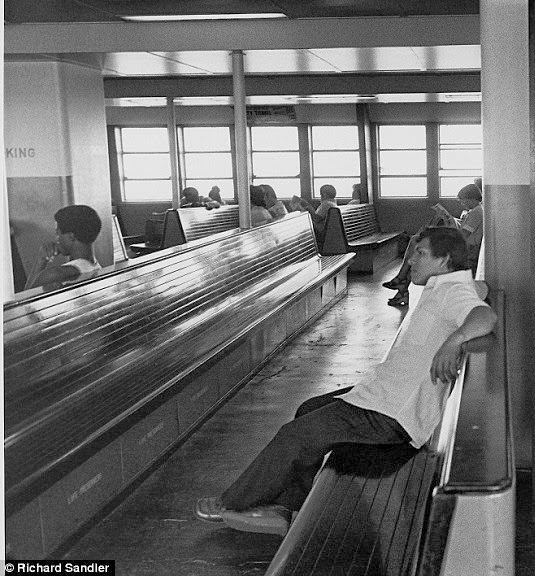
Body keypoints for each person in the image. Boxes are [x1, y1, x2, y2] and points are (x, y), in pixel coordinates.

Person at [194, 227, 496, 535]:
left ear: (444, 260)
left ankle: (230, 503)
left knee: (295, 434)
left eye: (420, 254)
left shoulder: (452, 292)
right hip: (383, 394)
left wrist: (455, 339)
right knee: (309, 407)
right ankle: (283, 506)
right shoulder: (446, 284)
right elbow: (478, 291)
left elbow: (484, 317)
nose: (411, 261)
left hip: (390, 413)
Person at [383, 183, 483, 307]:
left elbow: (461, 236)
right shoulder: (474, 211)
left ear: (471, 199)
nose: (463, 204)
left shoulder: (476, 213)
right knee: (417, 243)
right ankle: (401, 284)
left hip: (464, 251)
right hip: (463, 248)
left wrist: (448, 223)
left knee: (416, 242)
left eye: (464, 201)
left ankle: (401, 279)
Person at [29, 205, 102, 289]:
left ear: (71, 236)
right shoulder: (95, 267)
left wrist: (41, 260)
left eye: (58, 233)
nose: (57, 238)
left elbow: (24, 299)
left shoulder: (55, 275)